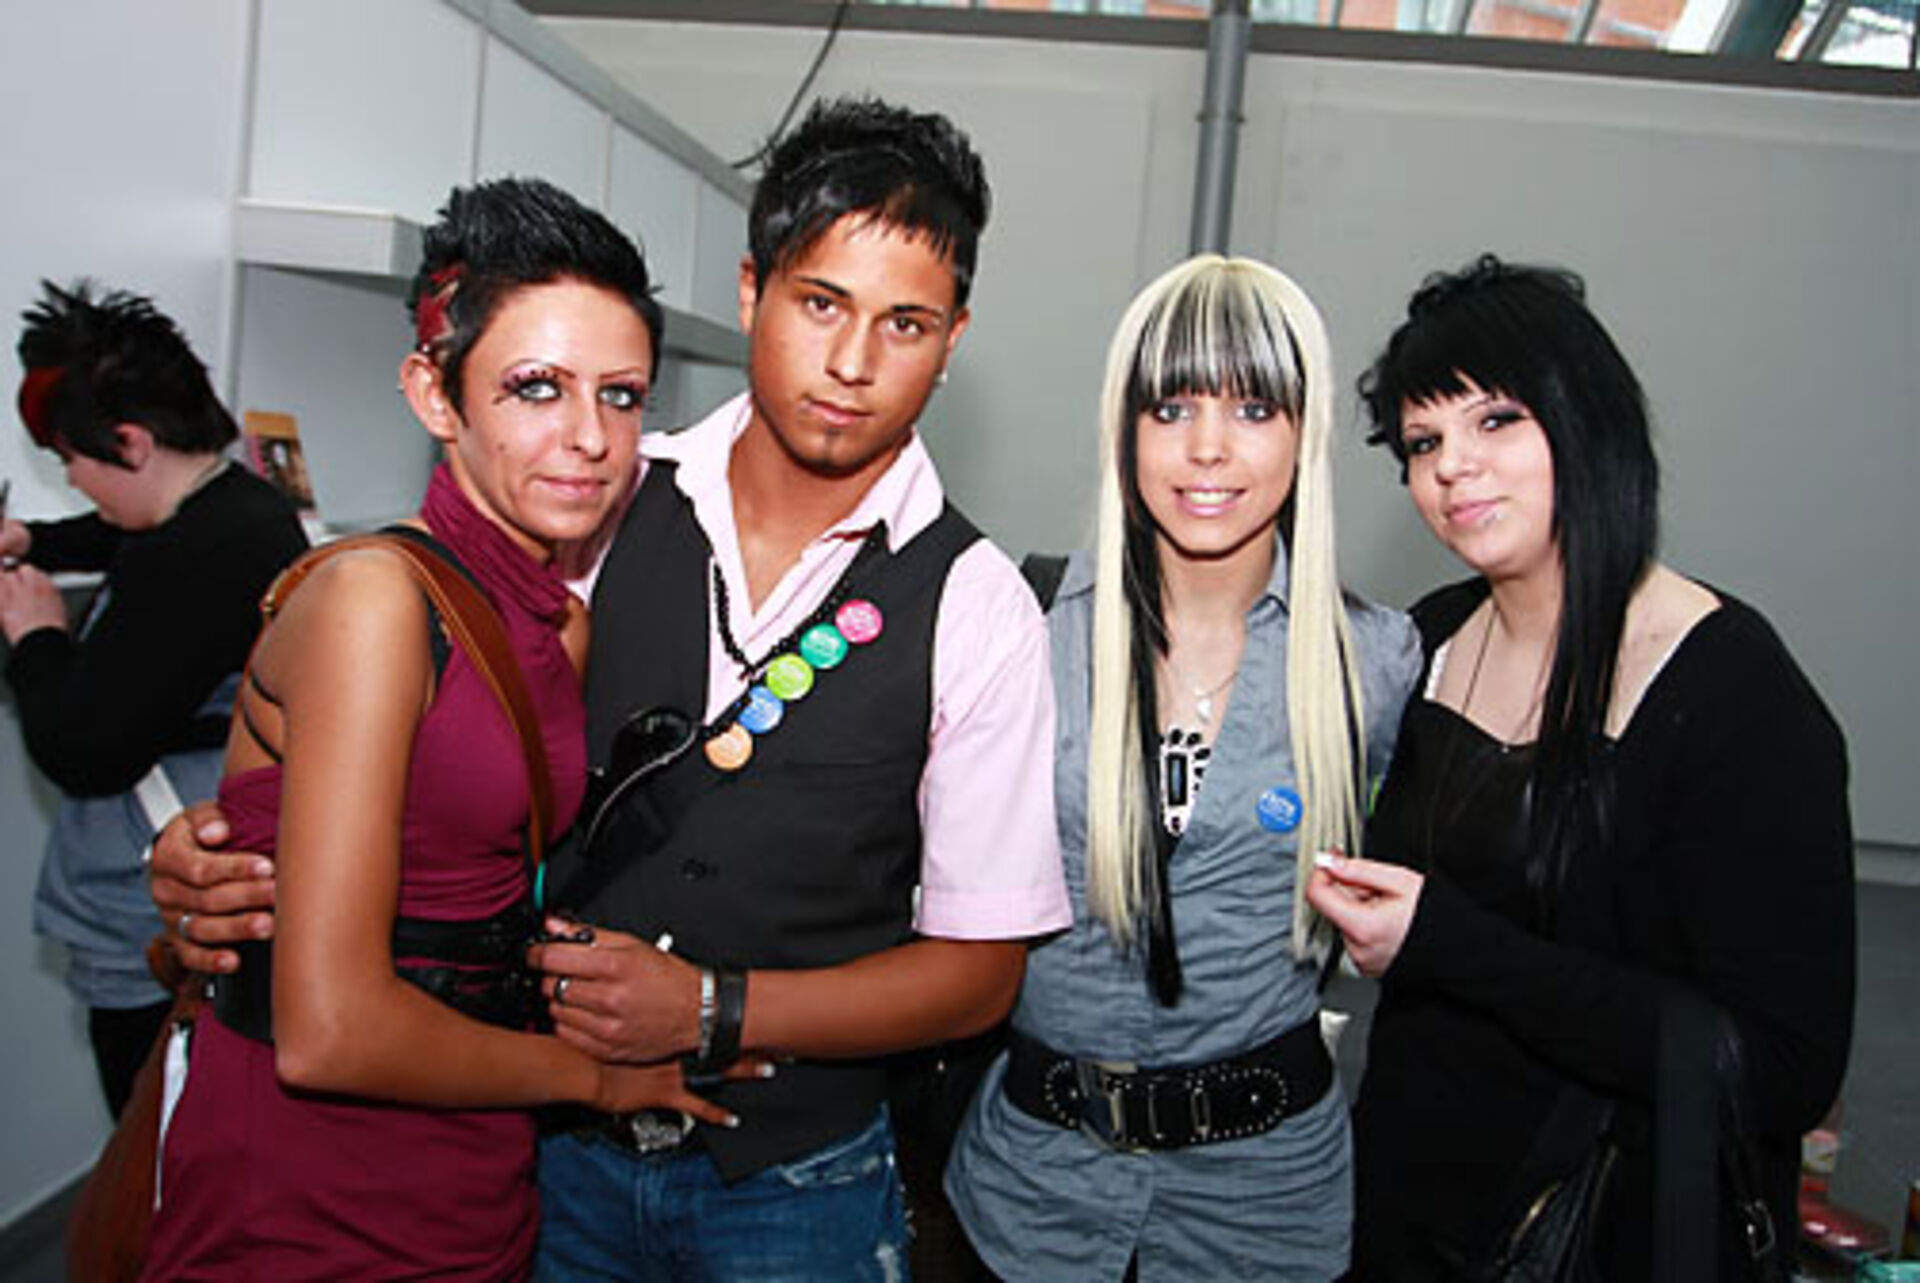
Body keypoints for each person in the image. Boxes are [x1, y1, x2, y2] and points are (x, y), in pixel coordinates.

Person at [150, 99, 1071, 1280]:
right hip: (535, 1146)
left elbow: (980, 969)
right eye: (820, 303)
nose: (852, 363)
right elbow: (402, 752)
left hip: (792, 1178)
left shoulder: (977, 601)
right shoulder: (587, 501)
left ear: (952, 340)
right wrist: (218, 854)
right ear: (752, 289)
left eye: (906, 323)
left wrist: (714, 1007)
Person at [139, 177, 754, 1282]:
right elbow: (329, 1027)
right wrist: (598, 1080)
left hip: (477, 1158)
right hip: (314, 1183)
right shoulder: (376, 601)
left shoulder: (557, 622)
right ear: (435, 393)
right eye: (535, 387)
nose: (589, 438)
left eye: (621, 396)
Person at [1307, 256, 1854, 1280]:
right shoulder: (1428, 640)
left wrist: (1448, 942)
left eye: (1496, 419)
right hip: (1406, 1212)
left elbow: (1779, 1068)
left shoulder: (1732, 692)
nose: (1453, 466)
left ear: (1587, 418)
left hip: (1605, 1229)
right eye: (1424, 442)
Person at [944, 256, 1421, 1280]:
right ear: (1125, 428)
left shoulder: (1377, 660)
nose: (1208, 447)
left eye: (1253, 408)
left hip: (1264, 1209)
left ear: (1305, 432)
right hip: (1031, 1196)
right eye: (1171, 408)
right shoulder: (1028, 625)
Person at [0, 280, 308, 1118]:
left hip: (156, 929)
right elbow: (122, 528)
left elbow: (84, 747)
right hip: (182, 906)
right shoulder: (236, 506)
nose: (74, 481)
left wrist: (36, 636)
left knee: (155, 1138)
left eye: (71, 461)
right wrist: (36, 540)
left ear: (131, 443)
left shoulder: (200, 556)